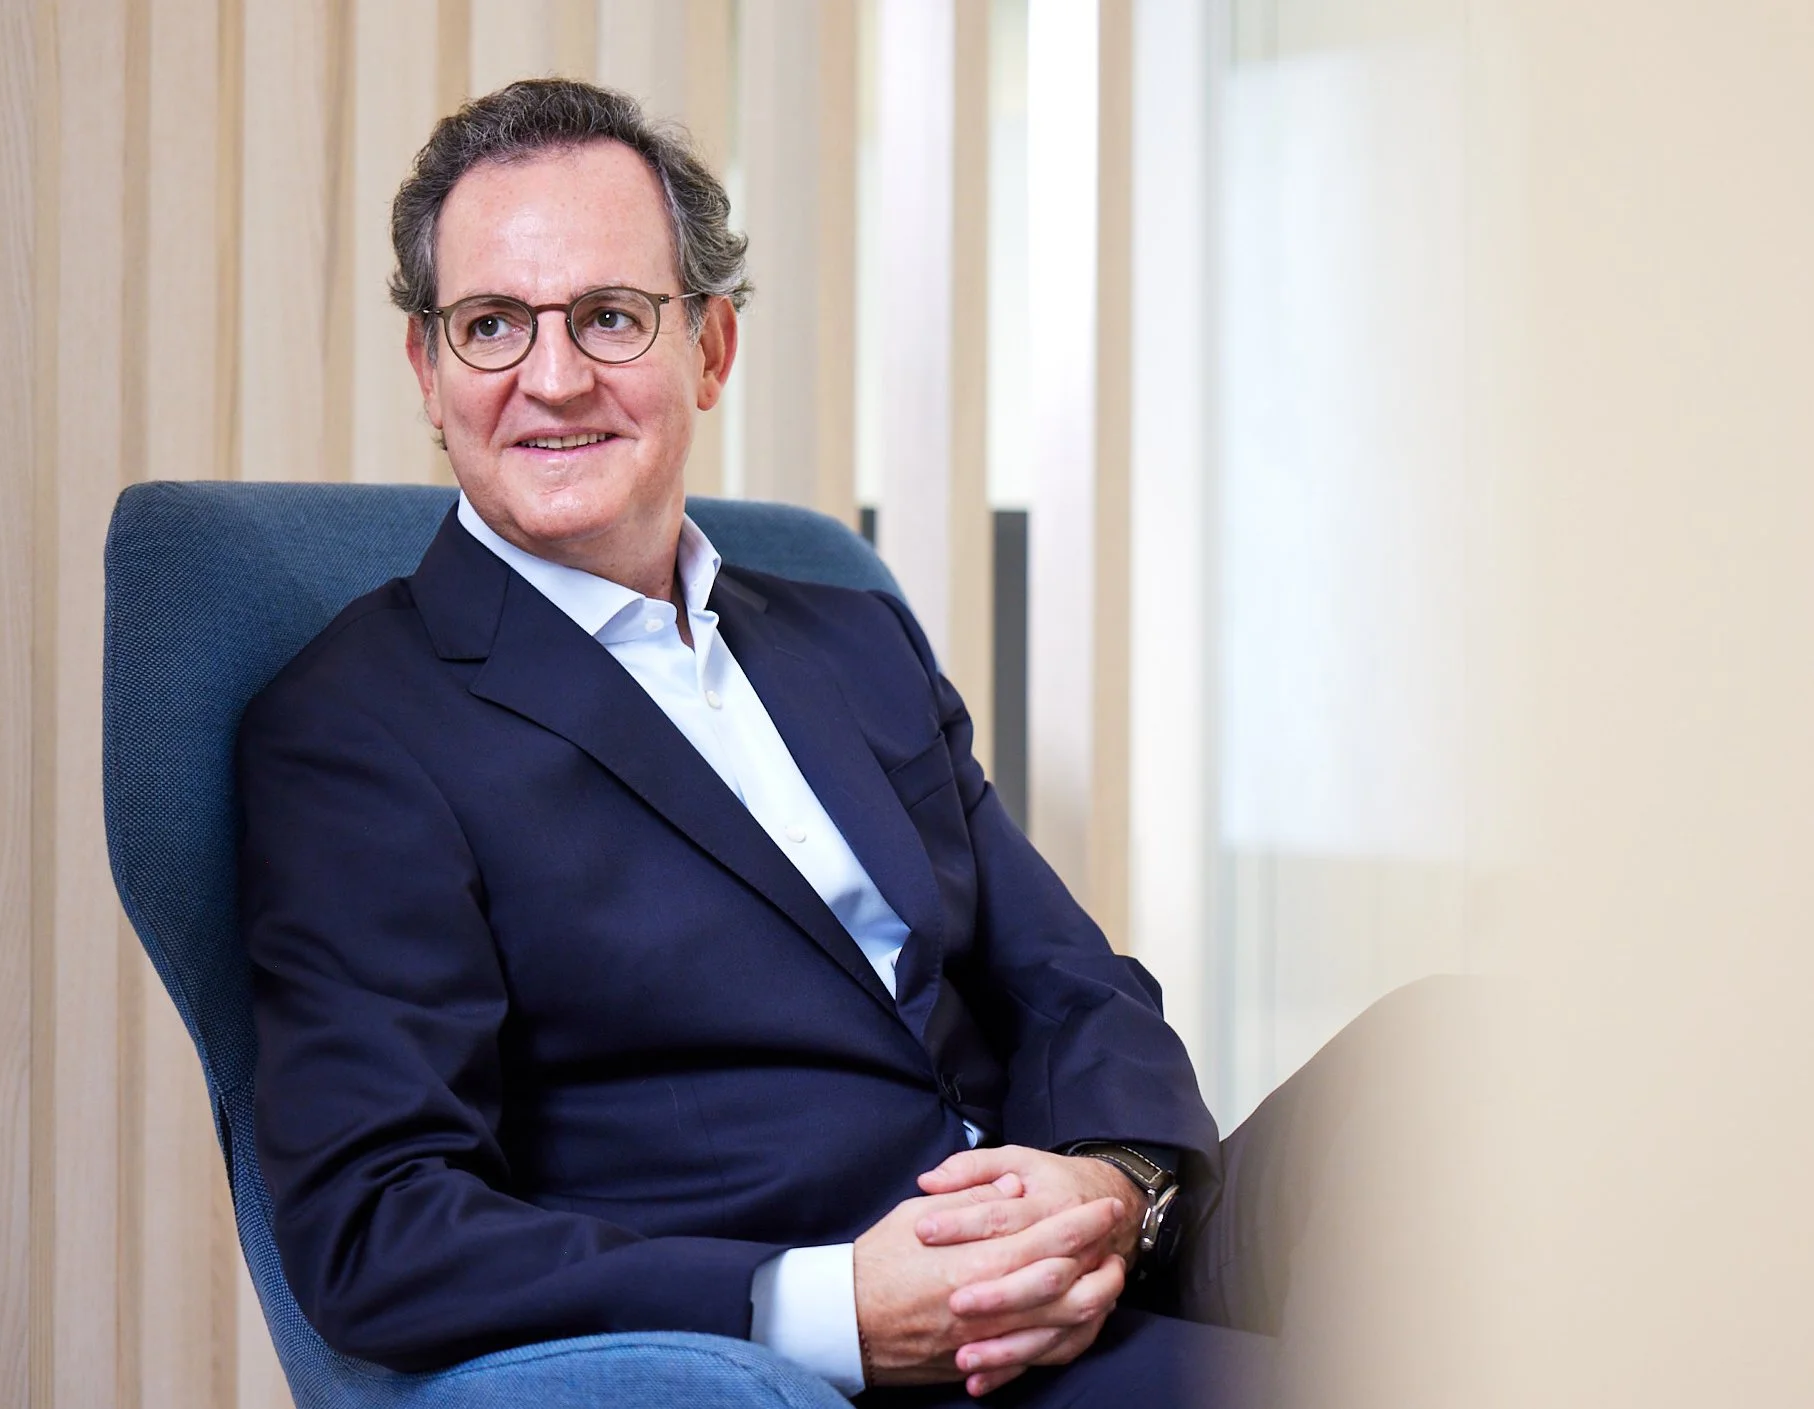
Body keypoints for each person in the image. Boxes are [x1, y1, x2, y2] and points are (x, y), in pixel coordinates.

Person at [240, 79, 1419, 1408]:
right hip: (893, 1349)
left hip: (1088, 1241)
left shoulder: (851, 638)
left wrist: (1114, 1185)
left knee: (1462, 1055)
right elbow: (376, 1225)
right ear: (429, 369)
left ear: (711, 348)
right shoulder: (356, 731)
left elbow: (1066, 978)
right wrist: (828, 1309)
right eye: (492, 325)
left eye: (611, 317)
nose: (552, 378)